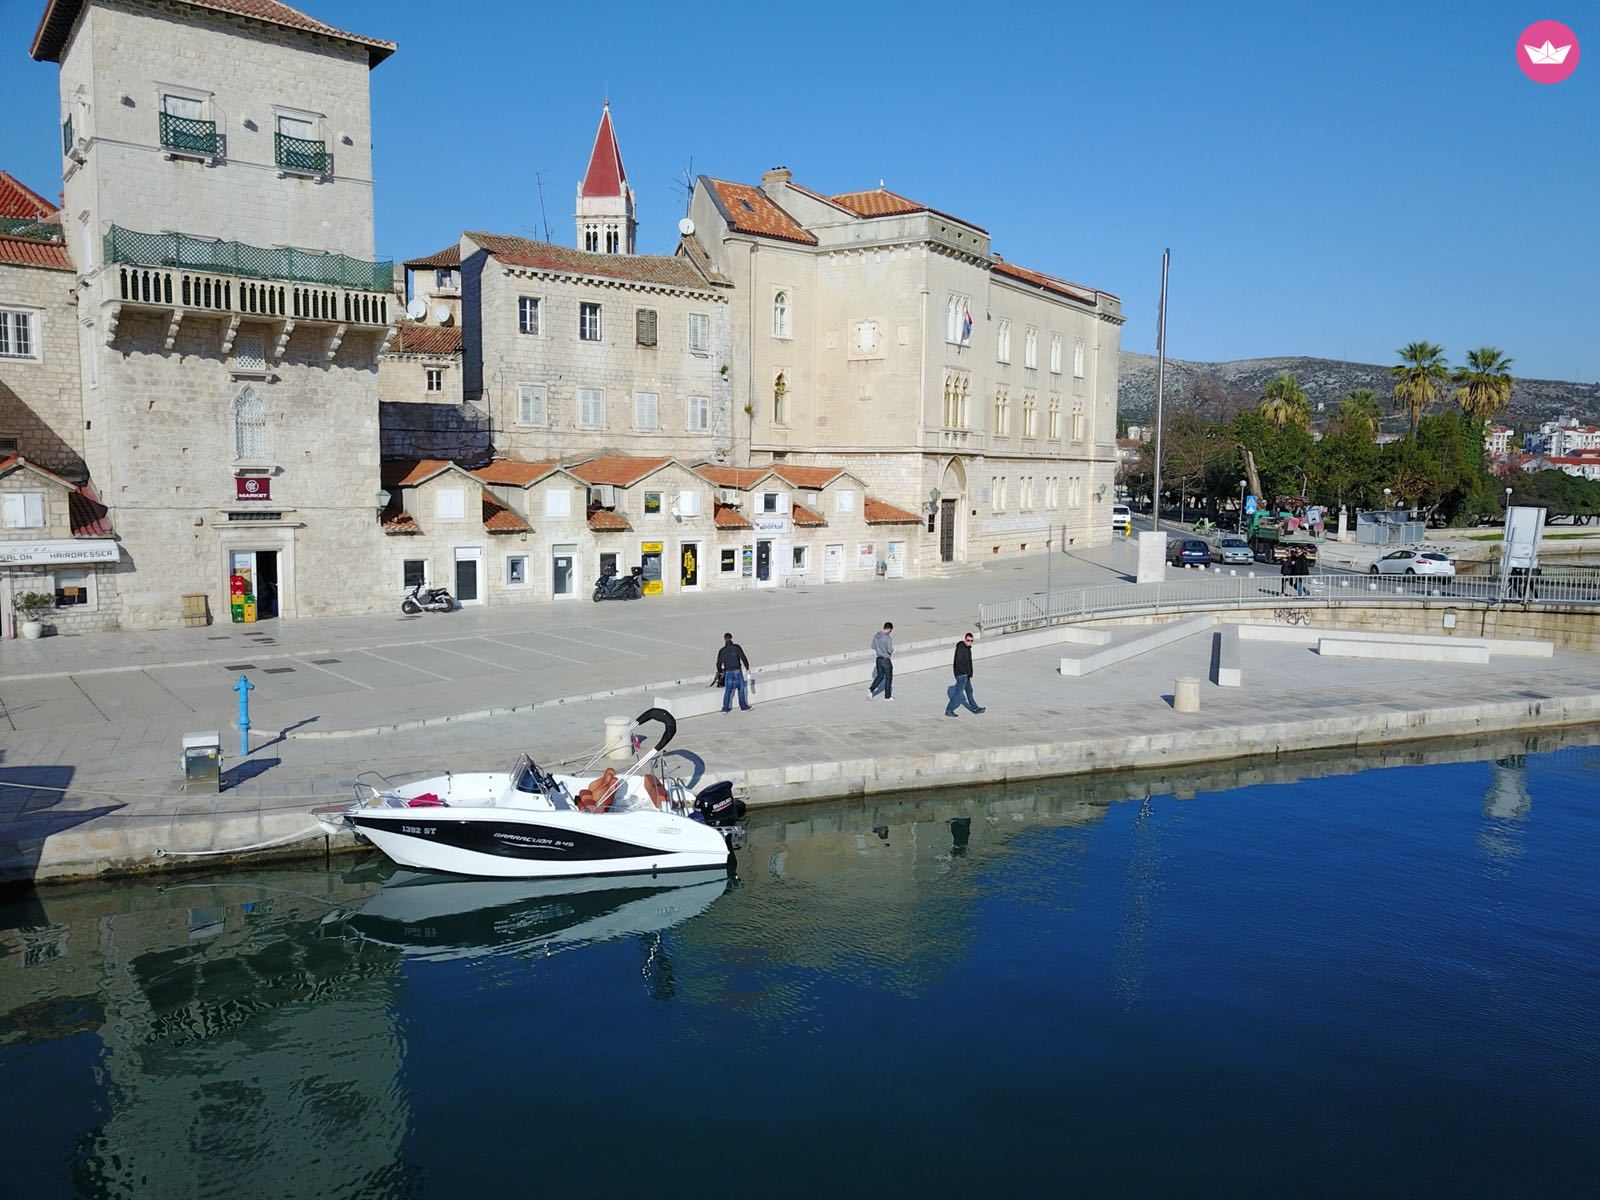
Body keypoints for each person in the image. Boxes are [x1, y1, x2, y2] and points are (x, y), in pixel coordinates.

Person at [944, 631, 985, 717]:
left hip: (966, 675)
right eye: (968, 640)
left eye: (971, 641)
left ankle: (975, 708)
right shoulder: (961, 648)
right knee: (958, 693)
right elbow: (958, 662)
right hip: (961, 675)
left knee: (969, 691)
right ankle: (949, 710)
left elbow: (968, 662)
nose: (969, 642)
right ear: (965, 639)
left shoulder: (967, 648)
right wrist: (965, 672)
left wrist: (969, 673)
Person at [716, 632, 751, 713]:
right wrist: (747, 667)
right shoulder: (737, 647)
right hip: (737, 671)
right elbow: (743, 657)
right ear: (731, 638)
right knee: (741, 689)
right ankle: (743, 707)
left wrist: (720, 671)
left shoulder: (722, 650)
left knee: (727, 690)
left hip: (728, 672)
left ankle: (725, 709)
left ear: (724, 639)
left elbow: (718, 663)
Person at [868, 621, 894, 700]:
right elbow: (889, 650)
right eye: (891, 630)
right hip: (886, 660)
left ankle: (871, 689)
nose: (891, 631)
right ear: (889, 629)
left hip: (878, 659)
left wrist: (879, 649)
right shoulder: (888, 638)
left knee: (880, 676)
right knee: (889, 678)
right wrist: (891, 650)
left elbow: (872, 646)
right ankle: (887, 697)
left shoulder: (876, 636)